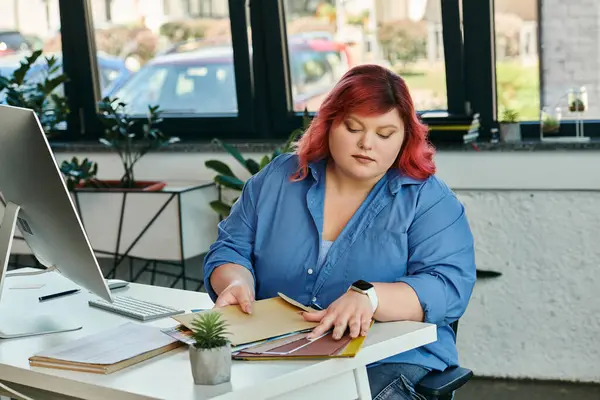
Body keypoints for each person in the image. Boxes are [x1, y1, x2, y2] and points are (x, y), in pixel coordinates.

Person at [203, 64, 477, 400]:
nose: (367, 144)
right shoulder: (277, 180)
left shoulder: (427, 198)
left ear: (406, 135)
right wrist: (235, 282)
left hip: (385, 361)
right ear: (329, 122)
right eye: (353, 127)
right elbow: (230, 249)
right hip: (278, 356)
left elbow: (449, 285)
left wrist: (370, 296)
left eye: (385, 134)